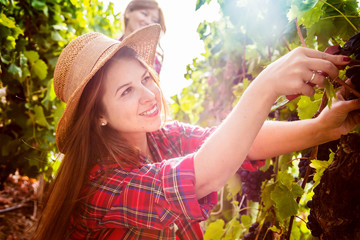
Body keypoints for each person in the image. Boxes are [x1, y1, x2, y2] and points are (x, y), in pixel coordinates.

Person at [33, 24, 360, 240]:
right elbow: (200, 175)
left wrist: (323, 128)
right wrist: (266, 84)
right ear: (99, 115)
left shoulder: (162, 137)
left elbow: (242, 142)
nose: (148, 96)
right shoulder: (100, 185)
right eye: (126, 91)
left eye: (145, 79)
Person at [118, 0, 166, 74]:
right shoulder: (106, 48)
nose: (149, 22)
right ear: (128, 12)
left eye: (154, 20)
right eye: (144, 14)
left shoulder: (154, 62)